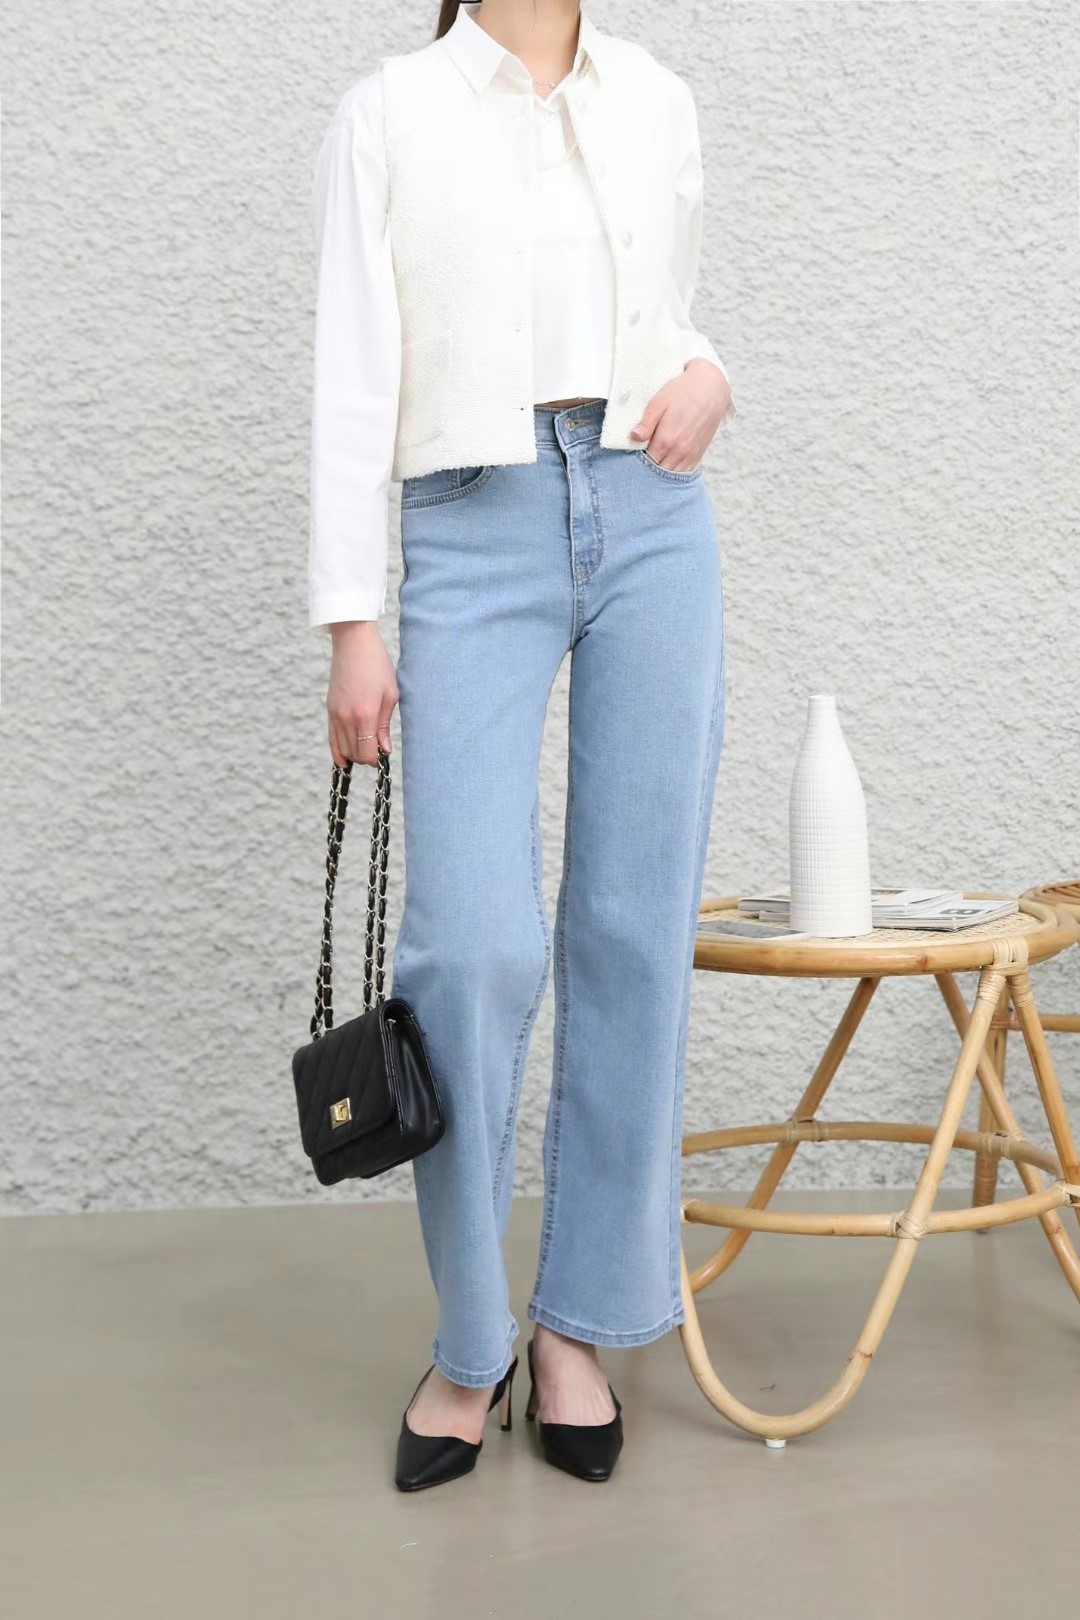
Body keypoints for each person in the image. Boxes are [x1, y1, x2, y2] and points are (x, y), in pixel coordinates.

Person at [309, 0, 734, 1490]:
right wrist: (352, 620)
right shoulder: (391, 111)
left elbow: (659, 313)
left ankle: (582, 1326)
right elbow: (354, 377)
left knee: (631, 927)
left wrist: (713, 373)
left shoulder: (656, 97)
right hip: (471, 521)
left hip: (653, 517)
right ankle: (472, 1335)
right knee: (472, 946)